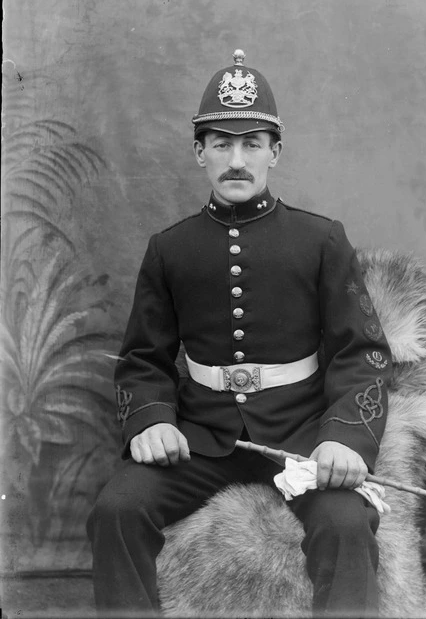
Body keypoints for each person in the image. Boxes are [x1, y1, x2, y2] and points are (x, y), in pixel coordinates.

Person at [87, 49, 392, 618]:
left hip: (300, 437)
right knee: (115, 511)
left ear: (275, 152)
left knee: (347, 524)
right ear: (198, 151)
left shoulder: (321, 241)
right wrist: (151, 420)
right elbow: (142, 359)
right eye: (222, 143)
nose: (237, 158)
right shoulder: (169, 249)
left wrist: (344, 438)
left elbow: (363, 353)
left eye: (252, 142)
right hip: (201, 438)